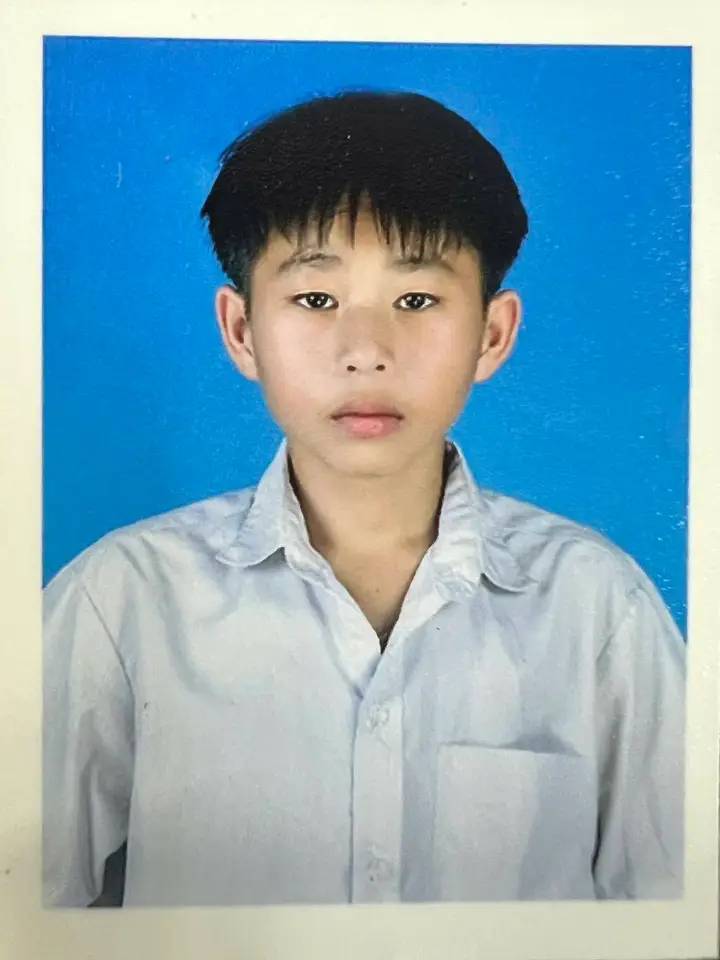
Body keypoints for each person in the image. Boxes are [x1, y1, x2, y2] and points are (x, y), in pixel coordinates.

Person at [43, 90, 685, 907]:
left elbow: (680, 919)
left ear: (493, 333)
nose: (367, 351)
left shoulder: (598, 607)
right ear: (242, 330)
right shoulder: (120, 601)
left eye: (417, 300)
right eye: (316, 299)